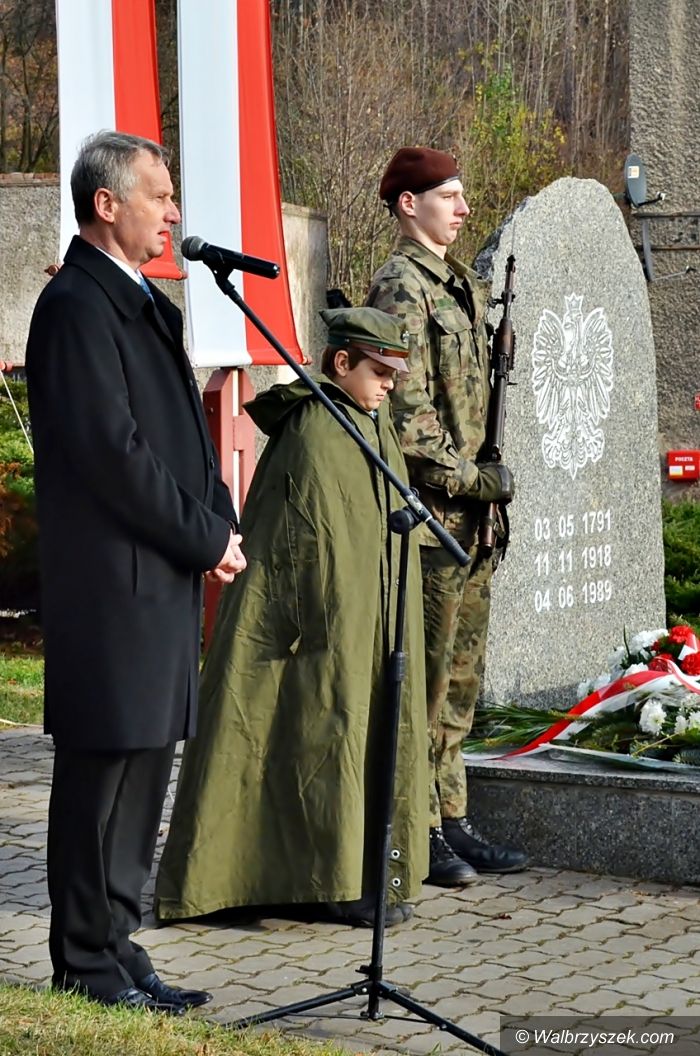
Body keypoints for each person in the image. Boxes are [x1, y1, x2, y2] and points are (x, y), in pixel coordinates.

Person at [25, 130, 246, 1013]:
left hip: (158, 577)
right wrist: (203, 537)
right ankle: (83, 959)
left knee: (146, 767)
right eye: (159, 194)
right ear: (107, 203)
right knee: (103, 775)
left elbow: (182, 435)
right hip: (111, 587)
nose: (174, 211)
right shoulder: (76, 306)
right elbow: (113, 456)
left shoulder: (140, 300)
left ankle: (118, 945)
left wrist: (218, 519)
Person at [154, 307, 429, 929]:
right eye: (379, 371)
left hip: (367, 618)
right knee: (321, 735)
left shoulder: (371, 422)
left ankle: (360, 872)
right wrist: (324, 617)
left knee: (356, 733)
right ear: (341, 363)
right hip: (310, 625)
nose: (389, 384)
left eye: (394, 374)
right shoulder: (314, 429)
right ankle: (323, 880)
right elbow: (300, 540)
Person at [365, 146, 528, 886]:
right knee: (426, 684)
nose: (463, 208)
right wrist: (473, 481)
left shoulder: (459, 283)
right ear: (409, 204)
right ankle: (420, 830)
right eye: (448, 196)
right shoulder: (402, 286)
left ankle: (453, 816)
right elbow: (406, 413)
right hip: (437, 520)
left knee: (461, 681)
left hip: (474, 520)